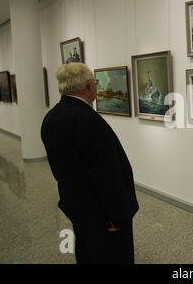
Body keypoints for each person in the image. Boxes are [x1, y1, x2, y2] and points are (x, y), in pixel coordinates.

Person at [41, 63, 139, 264]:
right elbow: (107, 175)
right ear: (88, 86)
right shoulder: (89, 120)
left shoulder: (51, 117)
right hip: (101, 213)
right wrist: (115, 216)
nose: (96, 86)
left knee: (87, 252)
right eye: (95, 82)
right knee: (111, 256)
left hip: (77, 205)